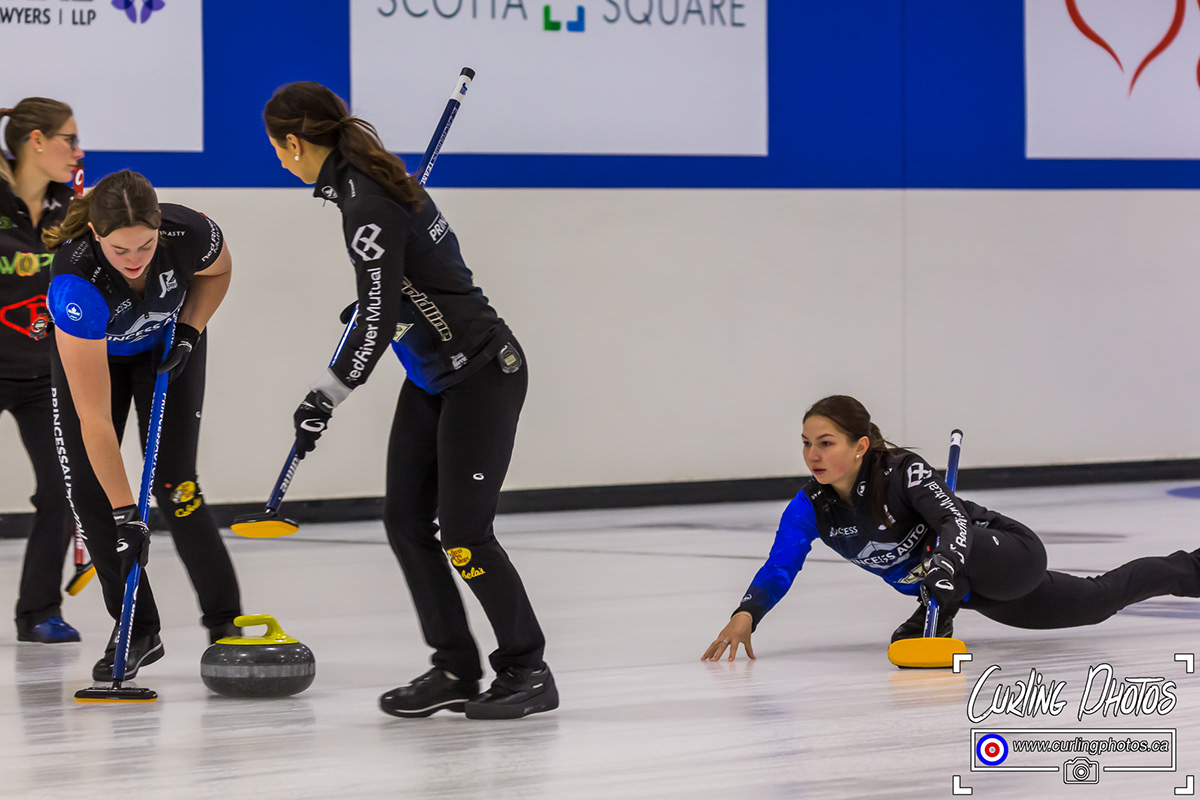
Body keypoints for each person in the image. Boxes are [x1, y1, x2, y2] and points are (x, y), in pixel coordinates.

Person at [263, 82, 556, 720]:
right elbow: (400, 295)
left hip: (482, 373)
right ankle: (453, 666)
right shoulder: (367, 186)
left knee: (465, 535)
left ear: (293, 143)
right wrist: (388, 308)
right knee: (404, 520)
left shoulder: (368, 199)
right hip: (432, 375)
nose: (280, 163)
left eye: (278, 150)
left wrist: (326, 394)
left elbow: (374, 317)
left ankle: (528, 670)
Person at [702, 394, 1200, 661]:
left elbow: (953, 520)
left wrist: (946, 561)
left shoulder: (902, 471)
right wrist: (749, 613)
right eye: (807, 442)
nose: (813, 454)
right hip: (964, 589)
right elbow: (779, 565)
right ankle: (1188, 571)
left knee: (947, 555)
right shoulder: (808, 507)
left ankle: (941, 595)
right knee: (1095, 602)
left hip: (1004, 556)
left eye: (826, 442)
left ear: (858, 446)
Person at [43, 169, 243, 680]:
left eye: (145, 246)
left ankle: (226, 625)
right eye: (120, 251)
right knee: (90, 495)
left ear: (160, 228)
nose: (134, 260)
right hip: (98, 359)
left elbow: (217, 274)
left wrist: (191, 331)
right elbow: (94, 420)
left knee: (177, 486)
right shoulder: (76, 281)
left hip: (167, 348)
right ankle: (137, 628)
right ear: (95, 234)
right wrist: (125, 513)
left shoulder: (192, 233)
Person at [0, 98, 84, 643]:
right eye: (69, 139)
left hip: (41, 373)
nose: (77, 151)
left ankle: (38, 611)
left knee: (60, 489)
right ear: (35, 140)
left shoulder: (71, 211)